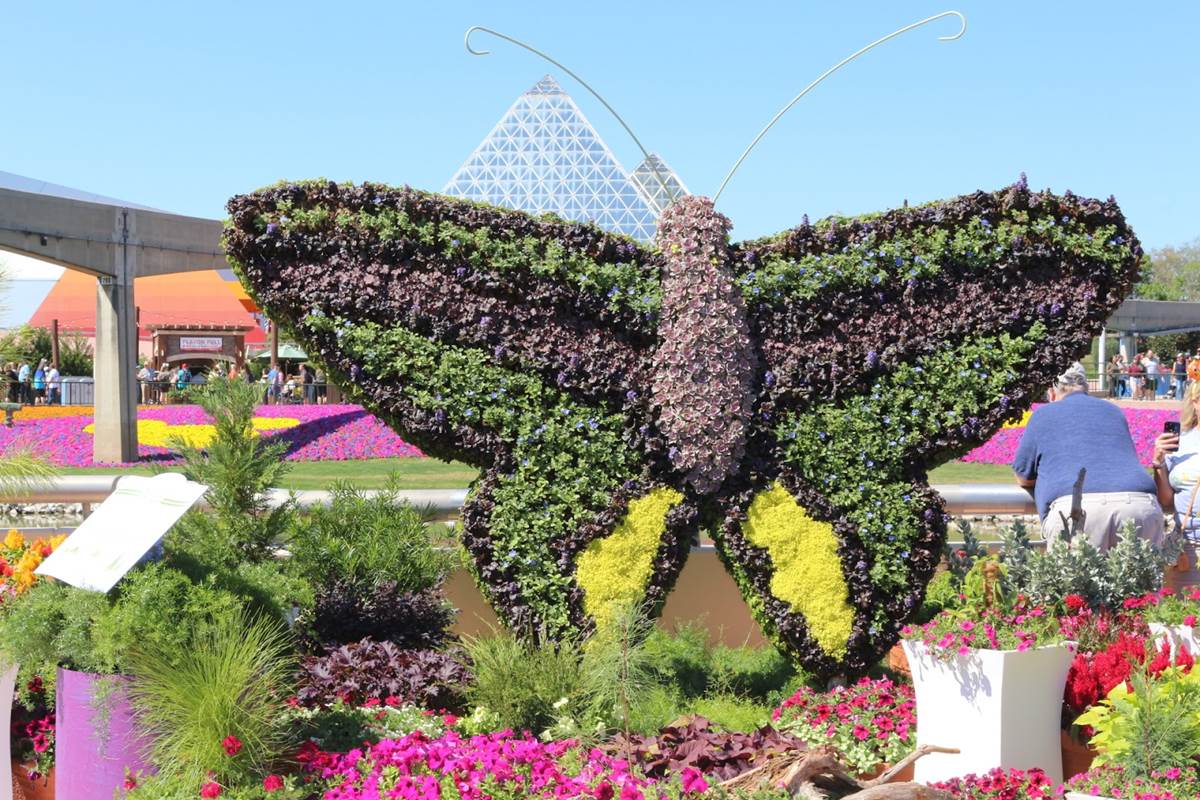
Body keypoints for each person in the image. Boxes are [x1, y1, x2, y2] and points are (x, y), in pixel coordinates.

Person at [1013, 364, 1164, 550]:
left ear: (1051, 392)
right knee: (1141, 570)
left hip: (1077, 507)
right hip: (1140, 505)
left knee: (1075, 570)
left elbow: (1023, 475)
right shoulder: (1113, 411)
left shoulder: (1043, 414)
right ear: (1085, 388)